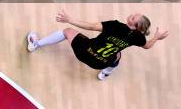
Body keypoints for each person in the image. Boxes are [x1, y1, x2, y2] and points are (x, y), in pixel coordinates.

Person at [26, 10, 168, 80]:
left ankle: (35, 44)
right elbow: (147, 46)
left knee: (67, 31)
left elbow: (92, 27)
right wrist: (156, 37)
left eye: (132, 17)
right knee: (117, 55)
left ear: (133, 24)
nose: (131, 15)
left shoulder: (115, 25)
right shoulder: (138, 37)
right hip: (100, 63)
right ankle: (106, 73)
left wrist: (69, 19)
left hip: (85, 51)